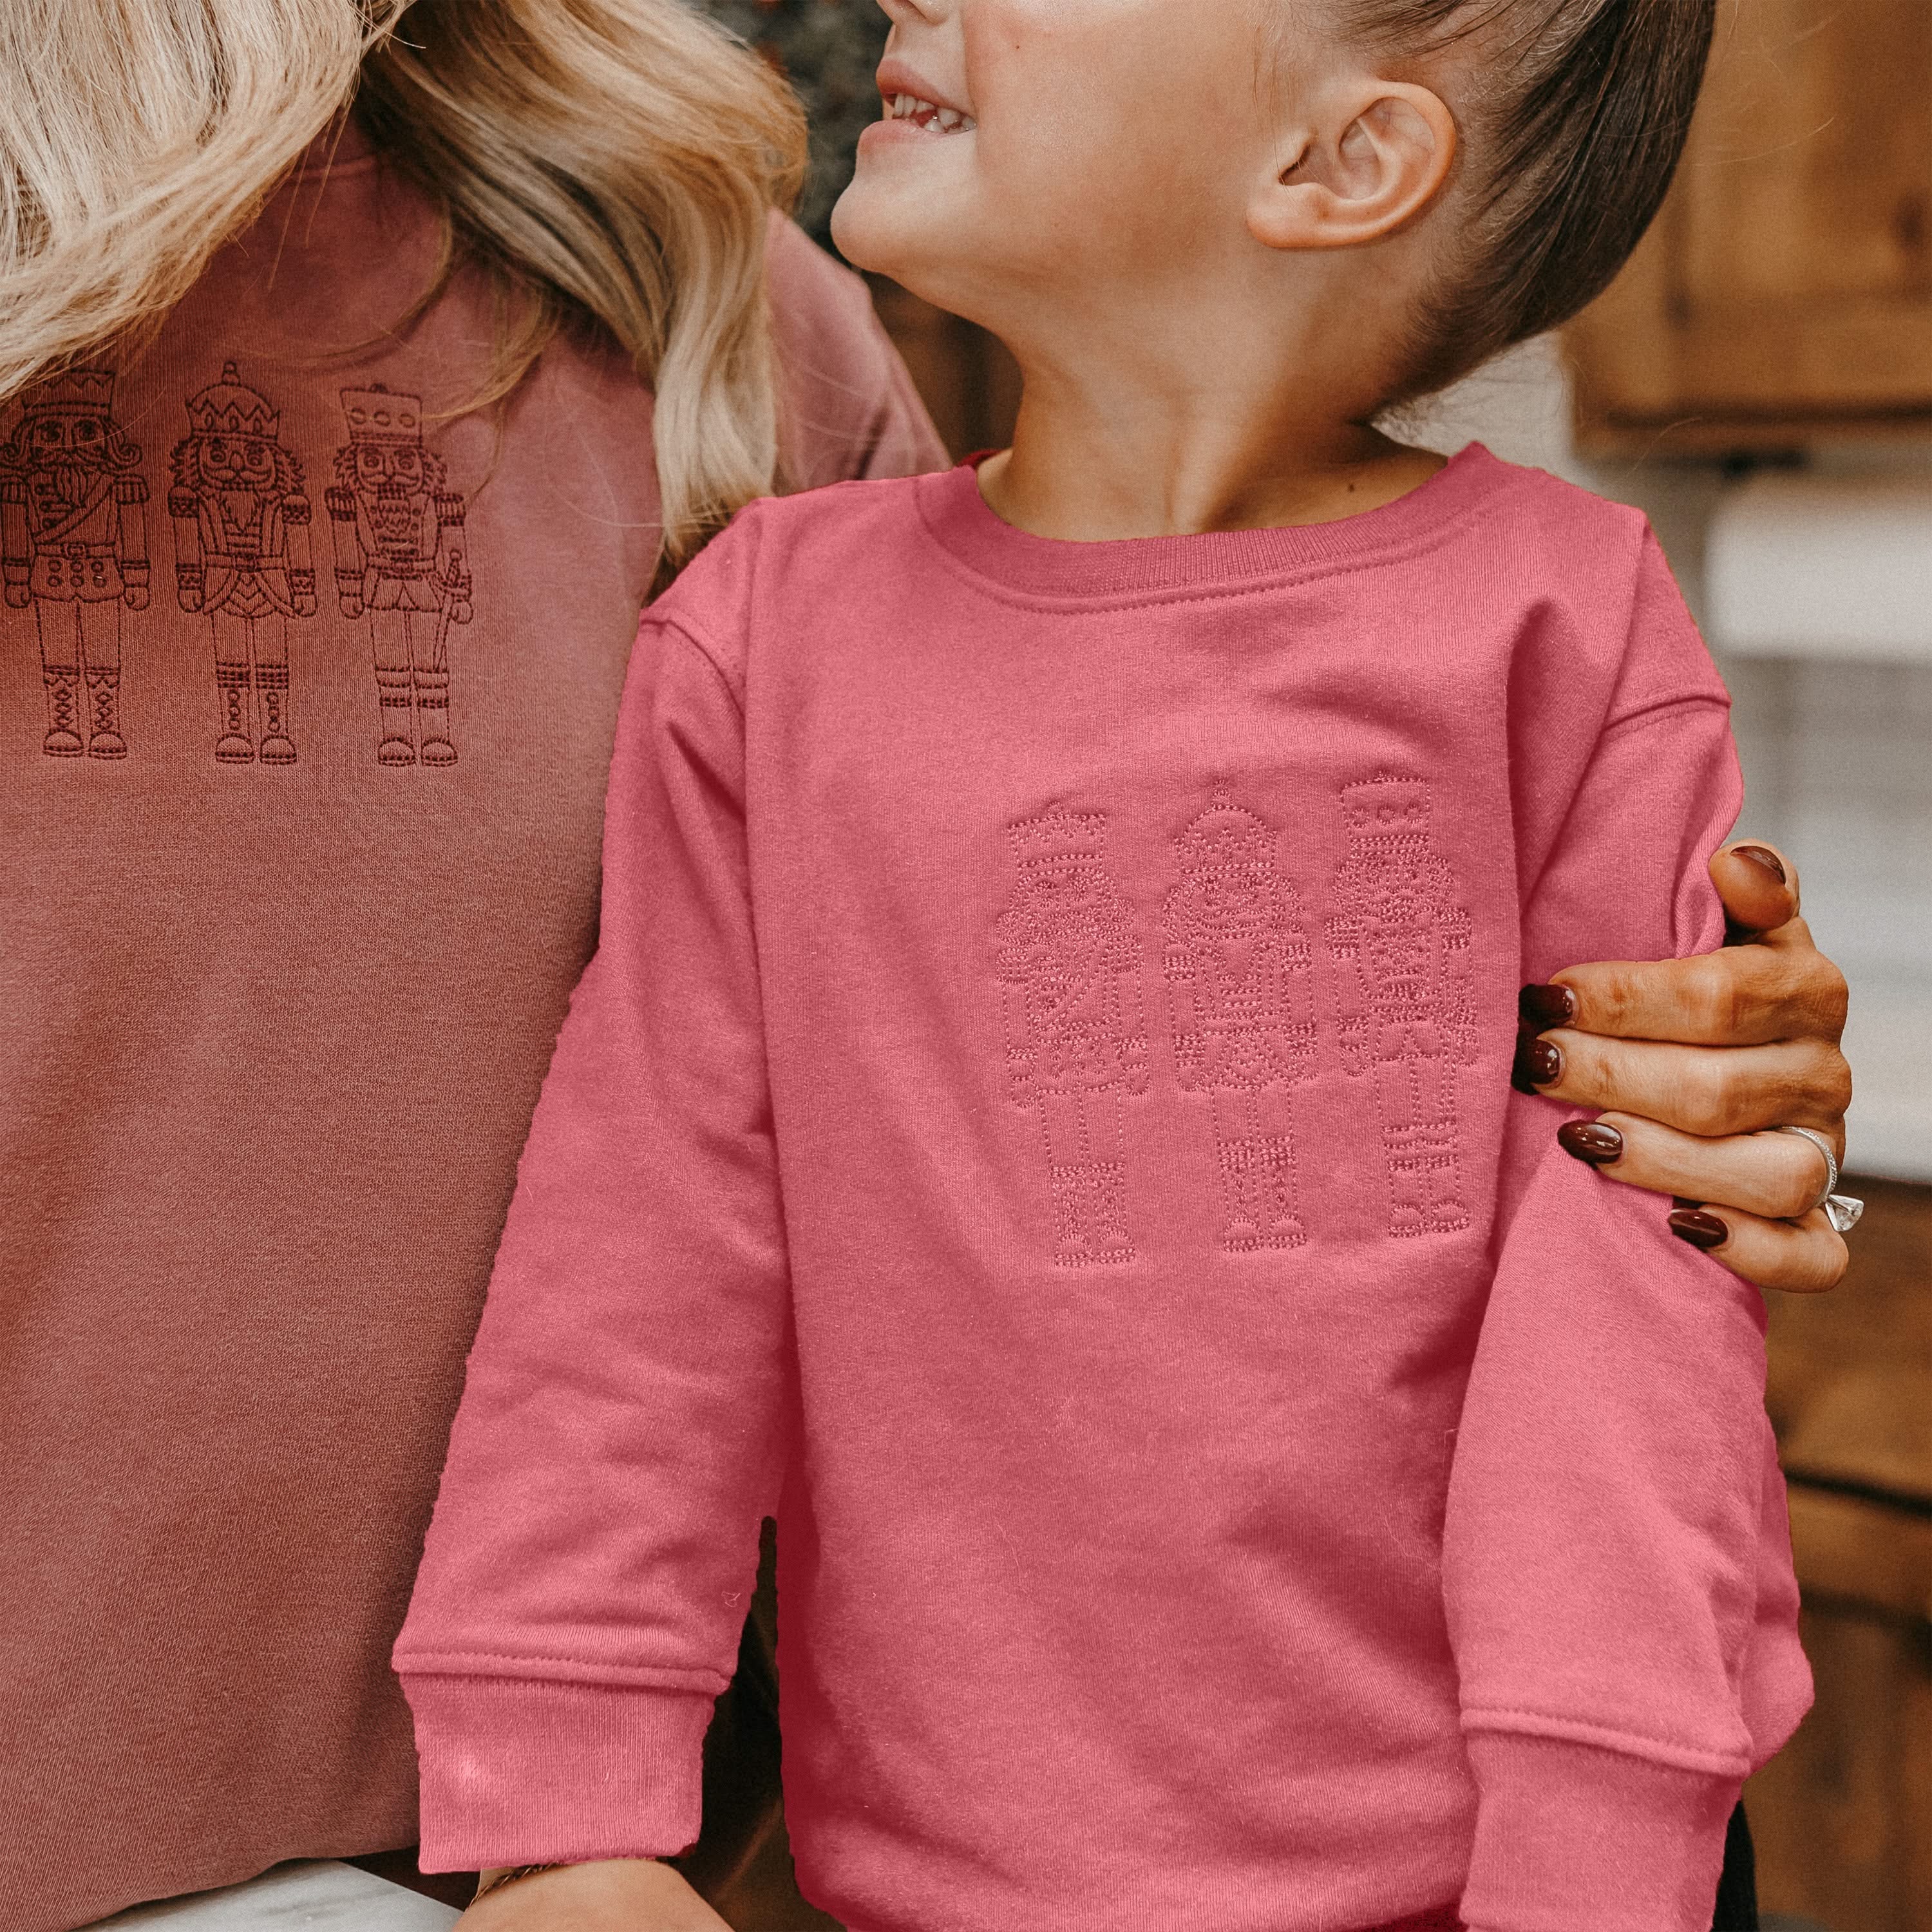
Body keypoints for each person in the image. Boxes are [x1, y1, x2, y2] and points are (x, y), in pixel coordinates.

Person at [0, 1, 1848, 1929]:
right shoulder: (766, 643)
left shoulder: (1567, 625)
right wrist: (562, 1820)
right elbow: (642, 1260)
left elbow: (1627, 1327)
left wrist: (1595, 1867)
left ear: (1336, 164)